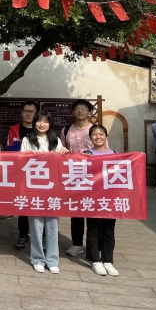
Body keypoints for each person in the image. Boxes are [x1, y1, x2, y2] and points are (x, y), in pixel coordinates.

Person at [20, 110, 69, 274]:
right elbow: (20, 162)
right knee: (36, 225)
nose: (42, 124)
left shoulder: (56, 141)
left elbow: (62, 163)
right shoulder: (27, 140)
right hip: (34, 188)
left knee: (52, 225)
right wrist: (28, 156)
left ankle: (52, 260)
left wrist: (64, 153)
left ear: (50, 124)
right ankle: (37, 259)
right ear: (34, 123)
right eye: (39, 121)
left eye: (45, 121)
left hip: (52, 188)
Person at [61, 99, 97, 257]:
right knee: (76, 211)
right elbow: (61, 150)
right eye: (77, 109)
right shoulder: (66, 130)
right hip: (74, 175)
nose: (80, 111)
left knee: (92, 211)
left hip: (93, 176)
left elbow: (104, 150)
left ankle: (93, 245)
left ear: (89, 113)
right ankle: (76, 244)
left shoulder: (95, 130)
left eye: (83, 109)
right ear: (73, 112)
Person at [84, 125, 120, 276]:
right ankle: (95, 260)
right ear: (90, 138)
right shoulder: (86, 154)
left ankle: (108, 260)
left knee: (109, 229)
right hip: (92, 198)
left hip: (110, 198)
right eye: (94, 134)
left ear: (106, 136)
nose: (98, 137)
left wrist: (139, 156)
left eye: (101, 134)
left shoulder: (115, 154)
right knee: (93, 228)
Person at [6, 101, 39, 251]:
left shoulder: (42, 129)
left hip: (40, 175)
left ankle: (40, 235)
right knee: (23, 204)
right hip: (21, 173)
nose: (28, 114)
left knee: (39, 204)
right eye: (26, 111)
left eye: (32, 111)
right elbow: (9, 152)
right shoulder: (14, 130)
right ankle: (23, 234)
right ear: (21, 113)